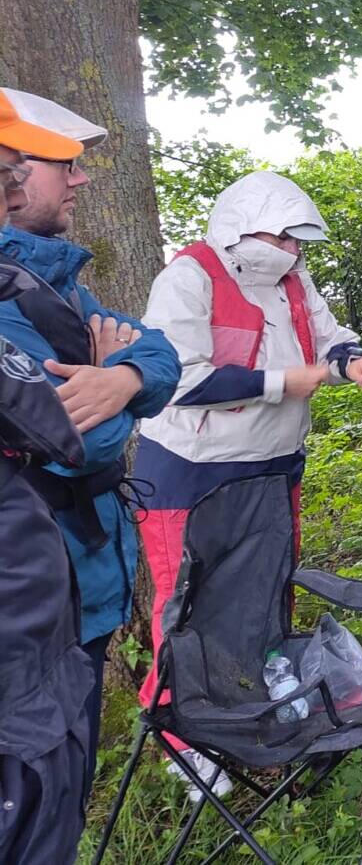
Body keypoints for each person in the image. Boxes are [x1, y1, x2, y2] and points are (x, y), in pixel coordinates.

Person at [135, 170, 362, 797]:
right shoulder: (189, 277)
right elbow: (177, 379)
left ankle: (261, 698)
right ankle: (185, 740)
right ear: (242, 229)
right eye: (283, 238)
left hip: (274, 463)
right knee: (186, 603)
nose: (293, 251)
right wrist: (281, 384)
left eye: (298, 241)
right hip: (191, 472)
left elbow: (328, 339)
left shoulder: (295, 281)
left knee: (268, 586)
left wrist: (351, 358)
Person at [0, 89, 180, 794]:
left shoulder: (53, 284)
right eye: (63, 165)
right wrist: (118, 392)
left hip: (87, 569)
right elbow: (77, 445)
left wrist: (124, 376)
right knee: (38, 786)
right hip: (36, 589)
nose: (80, 179)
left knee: (66, 779)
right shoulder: (12, 296)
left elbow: (161, 353)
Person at [0, 93, 97, 865]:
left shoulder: (36, 284)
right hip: (20, 692)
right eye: (5, 175)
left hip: (47, 646)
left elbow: (154, 355)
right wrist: (111, 374)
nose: (10, 199)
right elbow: (71, 432)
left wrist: (126, 374)